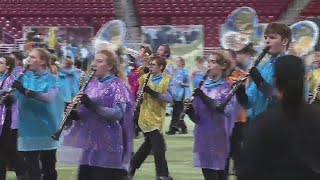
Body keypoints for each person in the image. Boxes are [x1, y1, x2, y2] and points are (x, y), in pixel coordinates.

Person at [237, 55, 320, 180]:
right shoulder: (316, 118)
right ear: (304, 81)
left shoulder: (262, 123)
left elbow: (246, 172)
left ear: (276, 82)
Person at [58, 49, 134, 180]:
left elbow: (117, 114)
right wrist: (73, 114)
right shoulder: (91, 84)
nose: (94, 64)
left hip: (108, 142)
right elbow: (85, 114)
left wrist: (90, 104)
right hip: (91, 142)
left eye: (99, 61)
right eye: (95, 61)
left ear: (109, 66)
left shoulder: (117, 85)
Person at [12, 48, 65, 180]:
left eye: (33, 57)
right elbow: (15, 98)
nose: (28, 60)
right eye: (28, 57)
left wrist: (25, 91)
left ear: (42, 61)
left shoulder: (53, 79)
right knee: (31, 168)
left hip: (47, 128)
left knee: (48, 167)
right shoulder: (24, 77)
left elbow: (49, 98)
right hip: (27, 128)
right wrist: (9, 98)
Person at [185, 50, 239, 180]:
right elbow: (198, 119)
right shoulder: (203, 86)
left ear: (223, 66)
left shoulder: (228, 87)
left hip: (219, 137)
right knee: (209, 174)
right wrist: (190, 111)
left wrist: (202, 96)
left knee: (220, 175)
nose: (208, 65)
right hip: (203, 136)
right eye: (208, 61)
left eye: (213, 62)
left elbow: (224, 110)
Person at [129, 55, 173, 180]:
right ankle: (162, 174)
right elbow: (136, 94)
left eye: (153, 65)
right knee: (159, 146)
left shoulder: (167, 79)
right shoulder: (143, 78)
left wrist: (153, 92)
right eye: (150, 64)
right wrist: (140, 96)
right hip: (145, 116)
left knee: (148, 144)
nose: (150, 67)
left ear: (161, 67)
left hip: (158, 117)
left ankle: (132, 165)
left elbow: (170, 98)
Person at [244, 22, 291, 120]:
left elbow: (280, 99)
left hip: (276, 123)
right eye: (265, 38)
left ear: (285, 41)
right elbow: (249, 101)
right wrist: (240, 91)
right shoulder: (265, 66)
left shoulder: (289, 65)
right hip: (257, 122)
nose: (267, 41)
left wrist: (258, 79)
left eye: (272, 38)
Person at [0, 56, 28, 180]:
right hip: (1, 122)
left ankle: (23, 176)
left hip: (9, 121)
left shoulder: (12, 80)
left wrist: (8, 98)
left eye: (1, 63)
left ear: (8, 66)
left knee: (13, 153)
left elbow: (17, 101)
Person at [166, 57, 190, 135]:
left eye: (178, 61)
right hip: (174, 94)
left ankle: (173, 129)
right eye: (176, 61)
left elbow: (188, 84)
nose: (176, 63)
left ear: (182, 62)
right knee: (177, 112)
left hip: (181, 94)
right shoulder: (175, 71)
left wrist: (183, 84)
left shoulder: (185, 72)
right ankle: (183, 128)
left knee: (176, 112)